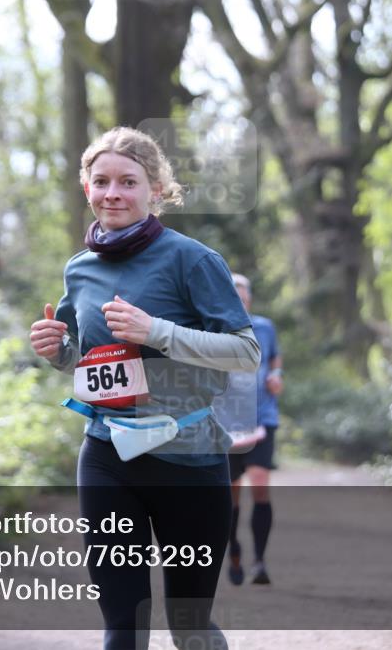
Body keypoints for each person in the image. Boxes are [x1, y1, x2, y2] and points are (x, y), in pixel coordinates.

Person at [29, 126, 260, 650]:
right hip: (108, 454)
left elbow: (247, 352)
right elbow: (85, 359)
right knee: (122, 625)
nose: (113, 193)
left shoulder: (192, 260)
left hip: (190, 459)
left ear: (156, 189)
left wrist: (158, 332)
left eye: (128, 182)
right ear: (85, 187)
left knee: (189, 626)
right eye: (102, 181)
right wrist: (56, 351)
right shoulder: (80, 269)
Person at [224, 273, 282, 586]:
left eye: (245, 297)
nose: (241, 302)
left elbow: (275, 359)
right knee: (230, 495)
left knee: (259, 484)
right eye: (235, 297)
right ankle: (234, 549)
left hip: (262, 417)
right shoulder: (214, 327)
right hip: (227, 423)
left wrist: (277, 375)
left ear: (250, 299)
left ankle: (259, 561)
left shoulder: (265, 327)